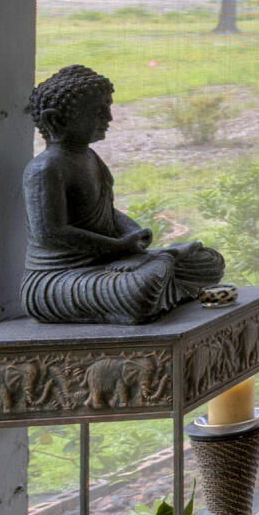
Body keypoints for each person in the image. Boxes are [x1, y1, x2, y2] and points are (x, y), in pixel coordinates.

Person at [21, 64, 230, 324]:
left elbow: (107, 211)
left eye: (107, 108)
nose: (108, 117)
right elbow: (51, 233)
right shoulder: (45, 168)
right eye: (97, 111)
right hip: (57, 280)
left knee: (209, 261)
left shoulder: (89, 157)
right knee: (140, 289)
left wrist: (132, 235)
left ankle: (160, 274)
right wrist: (119, 247)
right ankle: (156, 276)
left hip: (108, 265)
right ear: (56, 120)